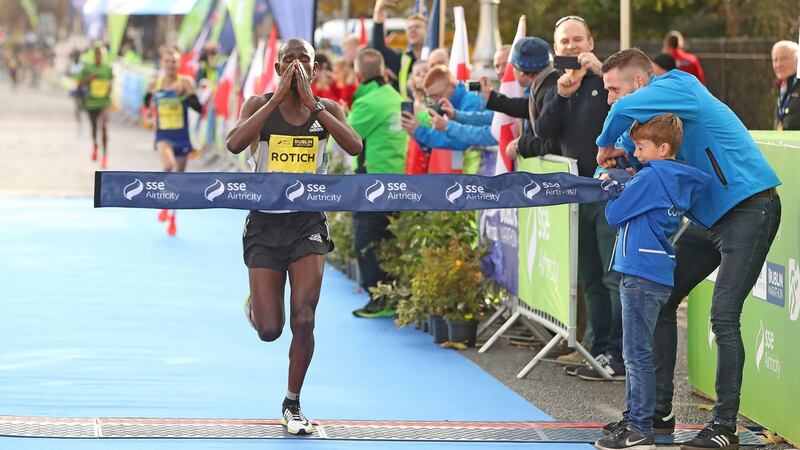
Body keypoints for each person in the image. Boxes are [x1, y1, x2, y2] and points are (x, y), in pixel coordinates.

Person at [596, 48, 781, 449]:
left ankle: (724, 427)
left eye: (613, 88)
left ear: (640, 83)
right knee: (663, 297)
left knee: (724, 315)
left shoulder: (680, 85)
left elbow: (619, 112)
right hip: (709, 220)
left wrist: (604, 142)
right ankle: (658, 414)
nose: (610, 98)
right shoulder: (653, 118)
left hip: (750, 207)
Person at [225, 38, 362, 436]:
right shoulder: (257, 104)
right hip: (266, 224)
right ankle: (256, 303)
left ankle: (293, 401)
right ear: (277, 67)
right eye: (290, 60)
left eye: (305, 60)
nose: (298, 65)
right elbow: (234, 144)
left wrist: (314, 103)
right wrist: (276, 100)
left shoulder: (327, 110)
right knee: (271, 330)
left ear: (316, 68)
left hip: (308, 223)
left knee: (304, 319)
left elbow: (353, 147)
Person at [595, 114, 709, 450]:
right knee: (638, 353)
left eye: (641, 147)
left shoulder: (652, 178)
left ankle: (640, 427)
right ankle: (636, 419)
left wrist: (610, 183)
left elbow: (613, 215)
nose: (636, 153)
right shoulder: (665, 176)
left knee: (636, 355)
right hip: (653, 272)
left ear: (662, 147)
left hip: (641, 273)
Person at [534, 15, 624, 380]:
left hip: (610, 193)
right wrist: (561, 93)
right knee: (588, 276)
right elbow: (542, 131)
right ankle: (596, 348)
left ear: (591, 41)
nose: (572, 47)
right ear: (556, 49)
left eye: (577, 40)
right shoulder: (558, 85)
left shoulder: (609, 82)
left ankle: (618, 355)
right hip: (576, 196)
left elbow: (631, 108)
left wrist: (602, 72)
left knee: (613, 276)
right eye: (565, 42)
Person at [346, 48, 409, 317]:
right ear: (384, 71)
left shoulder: (368, 103)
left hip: (373, 183)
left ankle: (379, 299)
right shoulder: (396, 96)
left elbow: (346, 137)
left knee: (367, 242)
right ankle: (390, 296)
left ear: (358, 74)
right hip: (398, 178)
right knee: (387, 240)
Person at [144, 47, 202, 236]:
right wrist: (149, 114)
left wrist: (183, 96)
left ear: (179, 64)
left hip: (182, 137)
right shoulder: (155, 84)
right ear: (162, 63)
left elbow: (198, 108)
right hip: (164, 136)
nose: (171, 65)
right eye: (167, 61)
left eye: (174, 62)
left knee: (179, 179)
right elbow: (145, 104)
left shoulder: (185, 83)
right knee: (168, 165)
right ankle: (163, 203)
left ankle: (173, 217)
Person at [482, 36, 560, 160]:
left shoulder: (549, 90)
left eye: (511, 67)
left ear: (522, 73)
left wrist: (521, 145)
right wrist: (492, 98)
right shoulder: (548, 83)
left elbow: (552, 143)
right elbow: (526, 107)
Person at [371, 0, 426, 94]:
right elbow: (379, 48)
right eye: (409, 28)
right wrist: (377, 12)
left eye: (417, 26)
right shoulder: (402, 60)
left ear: (427, 31)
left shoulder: (436, 56)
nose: (412, 30)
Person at [79, 42, 113, 169]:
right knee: (94, 128)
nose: (99, 56)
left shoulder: (108, 69)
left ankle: (104, 156)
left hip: (104, 102)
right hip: (91, 102)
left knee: (104, 127)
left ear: (104, 56)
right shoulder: (87, 69)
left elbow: (111, 82)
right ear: (94, 55)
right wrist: (89, 79)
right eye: (97, 54)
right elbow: (79, 85)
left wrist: (110, 86)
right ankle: (95, 145)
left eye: (101, 54)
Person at [771, 40, 800, 130]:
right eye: (775, 60)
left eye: (783, 59)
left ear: (797, 60)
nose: (778, 64)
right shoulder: (783, 87)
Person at [67, 49, 86, 136]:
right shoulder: (71, 65)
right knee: (77, 109)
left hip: (83, 89)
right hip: (75, 89)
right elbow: (68, 74)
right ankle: (80, 126)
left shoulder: (83, 65)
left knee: (82, 107)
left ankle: (82, 124)